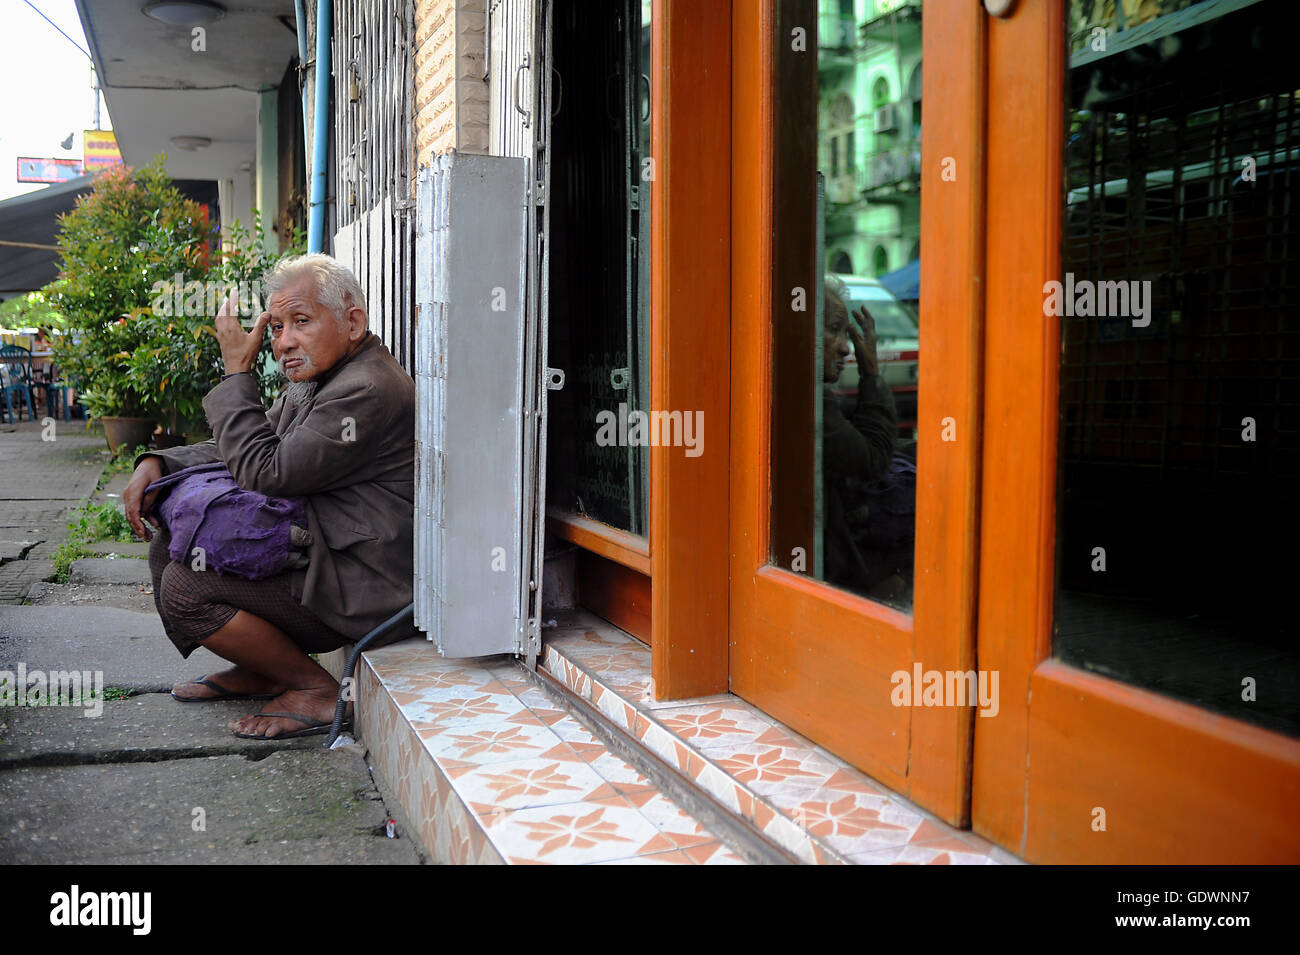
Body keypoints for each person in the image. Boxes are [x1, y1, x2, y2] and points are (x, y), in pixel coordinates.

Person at [123, 254, 415, 740]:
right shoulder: (323, 376)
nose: (283, 342)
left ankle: (314, 690)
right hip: (326, 552)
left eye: (301, 322)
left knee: (185, 586)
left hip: (363, 583)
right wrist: (159, 463)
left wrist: (237, 374)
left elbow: (265, 470)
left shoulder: (364, 389)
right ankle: (266, 669)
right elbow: (246, 446)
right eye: (276, 327)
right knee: (176, 531)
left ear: (352, 321)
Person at [821, 278, 912, 602]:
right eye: (834, 330)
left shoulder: (813, 394)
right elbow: (872, 460)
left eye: (847, 332)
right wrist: (870, 371)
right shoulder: (806, 398)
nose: (847, 347)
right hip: (834, 569)